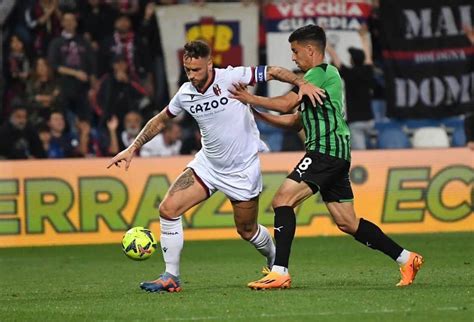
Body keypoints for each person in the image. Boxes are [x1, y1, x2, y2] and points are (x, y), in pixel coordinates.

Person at [107, 40, 324, 293]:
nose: (192, 75)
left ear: (209, 63)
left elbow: (274, 71)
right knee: (168, 209)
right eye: (188, 70)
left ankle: (275, 260)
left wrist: (302, 83)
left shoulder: (232, 77)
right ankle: (171, 276)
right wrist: (133, 147)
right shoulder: (186, 93)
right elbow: (161, 119)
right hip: (207, 166)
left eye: (197, 70)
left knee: (247, 230)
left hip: (242, 170)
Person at [229, 25, 423, 290]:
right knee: (347, 222)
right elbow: (295, 121)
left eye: (295, 51)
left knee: (282, 200)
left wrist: (248, 96)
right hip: (334, 153)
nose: (293, 57)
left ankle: (279, 271)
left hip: (325, 151)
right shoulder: (316, 81)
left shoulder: (320, 73)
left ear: (310, 50)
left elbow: (287, 103)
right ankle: (407, 258)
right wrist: (256, 112)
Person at [326, 25, 375, 150]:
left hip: (356, 122)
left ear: (351, 60)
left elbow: (333, 54)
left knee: (361, 156)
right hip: (370, 120)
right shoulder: (368, 70)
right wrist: (363, 36)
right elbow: (368, 53)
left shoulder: (348, 73)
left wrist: (322, 36)